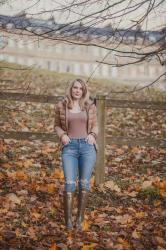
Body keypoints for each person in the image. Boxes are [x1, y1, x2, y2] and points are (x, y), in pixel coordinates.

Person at [54, 78, 98, 230]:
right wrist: (62, 135)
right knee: (69, 183)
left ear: (84, 91)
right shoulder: (62, 105)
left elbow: (96, 125)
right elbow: (57, 125)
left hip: (87, 147)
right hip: (70, 148)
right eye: (75, 88)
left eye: (80, 88)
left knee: (84, 183)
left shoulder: (89, 106)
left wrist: (92, 134)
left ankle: (79, 219)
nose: (77, 90)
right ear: (71, 89)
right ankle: (68, 222)